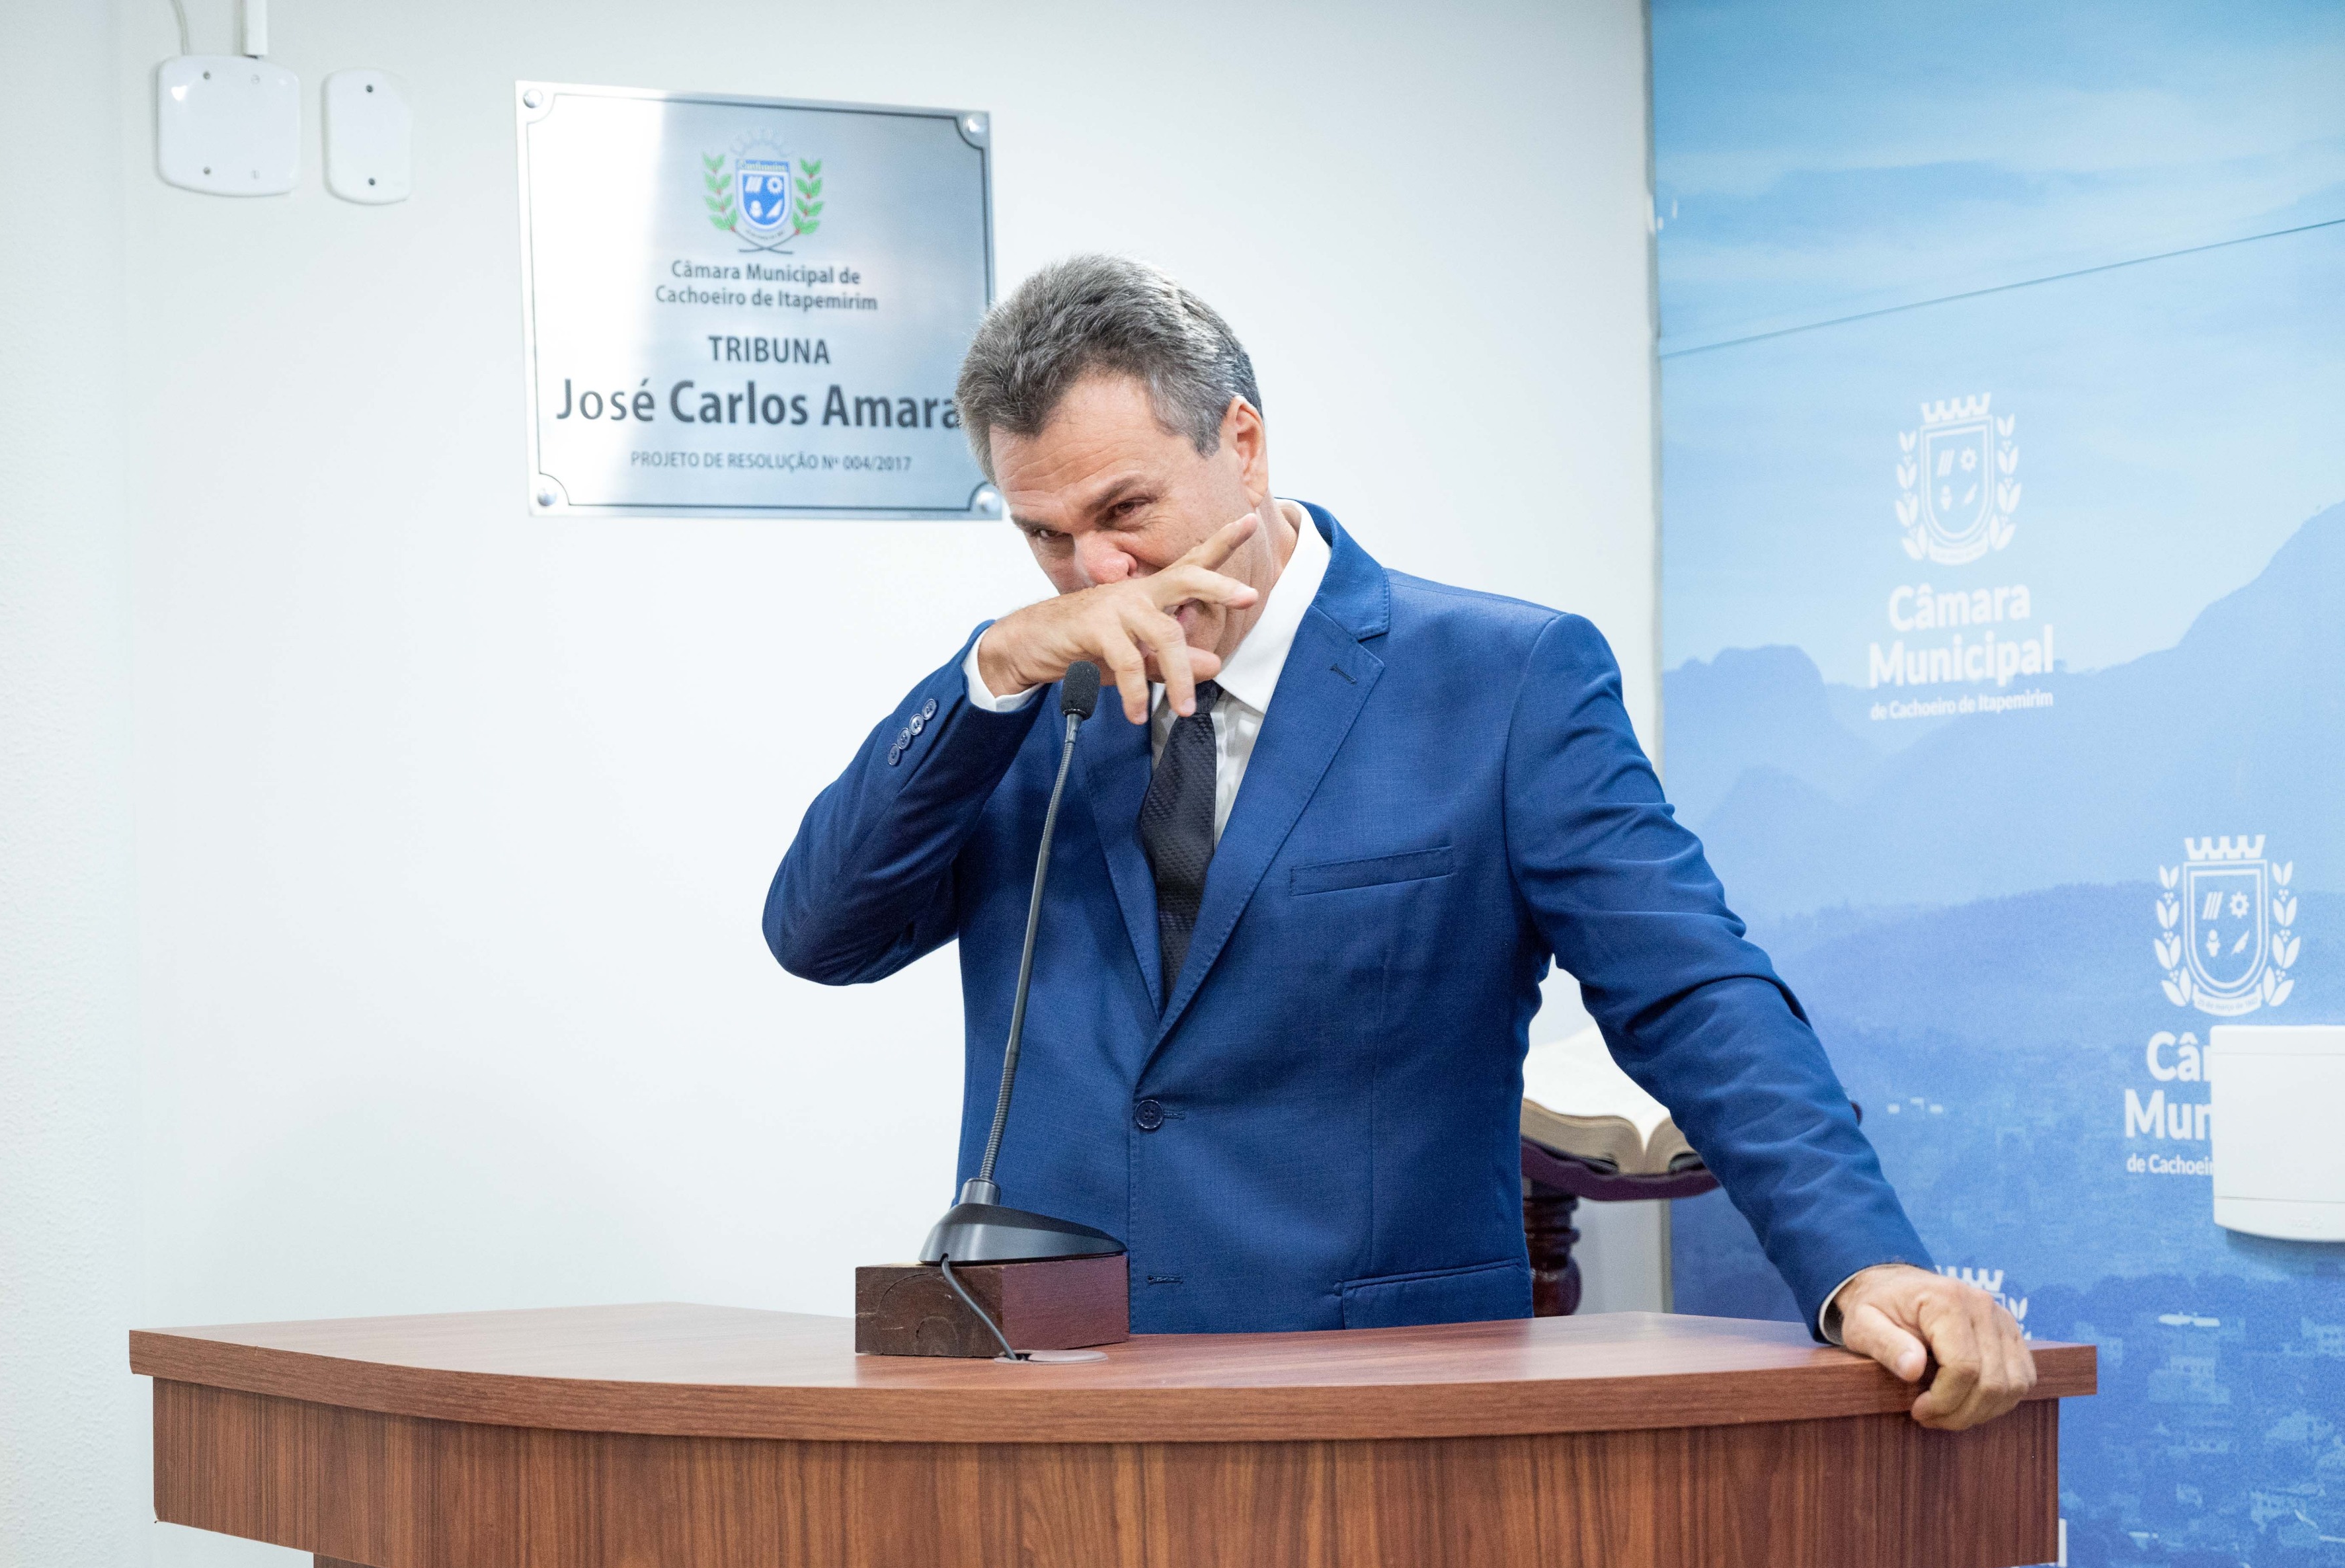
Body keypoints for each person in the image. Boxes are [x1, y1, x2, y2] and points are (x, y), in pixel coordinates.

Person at [765, 255, 2033, 1431]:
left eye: (1126, 508)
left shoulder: (1505, 681)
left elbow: (1691, 990)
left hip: (1389, 1406)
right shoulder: (1025, 702)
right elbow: (822, 935)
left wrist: (1862, 1262)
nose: (1096, 568)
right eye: (1045, 535)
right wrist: (989, 677)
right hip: (1053, 1409)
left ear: (1243, 445)